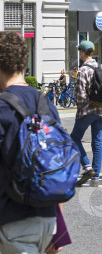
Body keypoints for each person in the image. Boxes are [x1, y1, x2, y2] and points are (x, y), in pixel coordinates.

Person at [0, 31, 59, 253]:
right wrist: (59, 231)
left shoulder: (2, 108)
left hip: (12, 221)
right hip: (47, 221)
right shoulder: (45, 104)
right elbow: (53, 164)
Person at [70, 40, 102, 187]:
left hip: (88, 110)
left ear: (81, 52)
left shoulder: (83, 70)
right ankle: (96, 177)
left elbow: (80, 94)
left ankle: (87, 166)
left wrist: (80, 110)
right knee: (97, 142)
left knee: (74, 138)